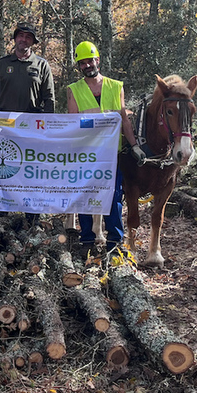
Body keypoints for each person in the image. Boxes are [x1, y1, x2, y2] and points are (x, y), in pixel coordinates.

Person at [66, 41, 145, 248]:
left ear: (97, 60)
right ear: (79, 66)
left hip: (111, 153)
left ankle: (114, 240)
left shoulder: (115, 86)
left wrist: (134, 145)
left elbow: (124, 120)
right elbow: (72, 123)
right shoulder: (74, 90)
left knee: (113, 196)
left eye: (89, 61)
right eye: (82, 63)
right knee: (85, 195)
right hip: (86, 154)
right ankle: (87, 240)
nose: (86, 66)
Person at [0, 21, 55, 113]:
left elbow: (49, 98)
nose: (23, 39)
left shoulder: (42, 65)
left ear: (33, 41)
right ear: (15, 38)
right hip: (4, 120)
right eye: (21, 35)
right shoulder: (2, 64)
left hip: (32, 120)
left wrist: (48, 121)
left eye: (28, 37)